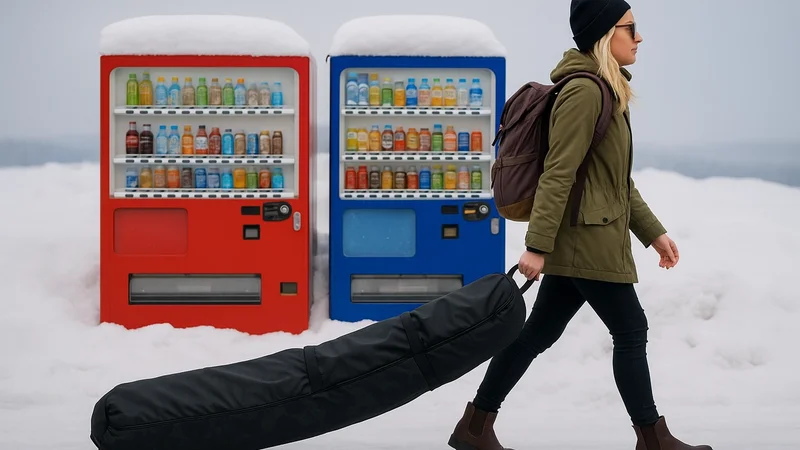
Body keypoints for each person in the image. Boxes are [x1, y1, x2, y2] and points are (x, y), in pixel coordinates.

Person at [447, 1, 713, 449]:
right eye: (631, 27)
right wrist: (536, 245)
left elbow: (615, 182)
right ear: (607, 33)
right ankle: (653, 439)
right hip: (586, 242)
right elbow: (558, 172)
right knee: (631, 329)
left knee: (536, 334)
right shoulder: (586, 92)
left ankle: (474, 426)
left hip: (585, 239)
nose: (639, 37)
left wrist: (654, 234)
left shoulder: (607, 90)